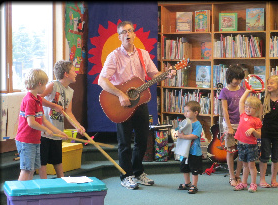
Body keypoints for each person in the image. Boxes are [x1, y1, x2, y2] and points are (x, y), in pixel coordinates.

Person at [98, 21, 176, 190]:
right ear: (119, 37)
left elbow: (154, 74)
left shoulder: (143, 54)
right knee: (125, 143)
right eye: (123, 32)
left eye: (130, 31)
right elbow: (101, 80)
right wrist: (120, 94)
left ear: (134, 34)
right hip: (122, 105)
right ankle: (126, 176)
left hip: (140, 103)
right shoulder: (114, 56)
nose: (127, 34)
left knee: (142, 140)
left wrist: (167, 74)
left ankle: (138, 171)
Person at [15, 69, 68, 181]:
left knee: (32, 169)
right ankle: (17, 196)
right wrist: (45, 130)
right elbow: (31, 122)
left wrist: (58, 132)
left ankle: (26, 194)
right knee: (26, 169)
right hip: (26, 140)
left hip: (34, 140)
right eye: (45, 84)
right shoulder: (29, 100)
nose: (45, 87)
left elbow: (44, 120)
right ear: (39, 83)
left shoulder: (38, 99)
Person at [39, 60, 85, 179]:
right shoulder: (53, 85)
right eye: (73, 71)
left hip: (57, 131)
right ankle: (44, 186)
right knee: (42, 162)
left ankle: (62, 180)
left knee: (57, 160)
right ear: (66, 74)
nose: (76, 73)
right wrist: (54, 106)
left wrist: (78, 126)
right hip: (45, 131)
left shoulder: (70, 91)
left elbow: (68, 112)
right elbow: (38, 98)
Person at [259, 75, 278, 188]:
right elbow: (260, 118)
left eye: (272, 83)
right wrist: (257, 131)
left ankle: (273, 179)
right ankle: (262, 179)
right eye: (268, 83)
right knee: (265, 155)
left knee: (276, 157)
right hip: (265, 132)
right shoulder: (264, 99)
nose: (269, 85)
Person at [218, 65, 245, 186]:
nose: (237, 81)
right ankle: (231, 176)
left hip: (242, 124)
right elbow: (225, 111)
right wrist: (229, 127)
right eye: (235, 78)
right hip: (230, 124)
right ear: (229, 77)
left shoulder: (243, 90)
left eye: (240, 79)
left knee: (241, 151)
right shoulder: (224, 91)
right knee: (230, 151)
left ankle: (238, 174)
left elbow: (246, 107)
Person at [233, 89, 262, 193]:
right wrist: (247, 91)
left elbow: (259, 135)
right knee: (244, 165)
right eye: (247, 106)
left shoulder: (257, 120)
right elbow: (241, 101)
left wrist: (253, 130)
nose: (248, 109)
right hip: (241, 145)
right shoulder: (242, 115)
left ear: (257, 109)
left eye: (251, 107)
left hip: (251, 146)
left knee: (251, 165)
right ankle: (244, 183)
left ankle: (253, 184)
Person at [177, 101, 203, 194]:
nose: (185, 113)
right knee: (184, 167)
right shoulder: (184, 123)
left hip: (194, 152)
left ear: (195, 113)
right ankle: (187, 183)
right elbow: (179, 130)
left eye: (187, 111)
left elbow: (194, 136)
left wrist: (183, 136)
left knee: (194, 169)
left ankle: (194, 185)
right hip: (185, 151)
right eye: (184, 111)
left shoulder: (197, 124)